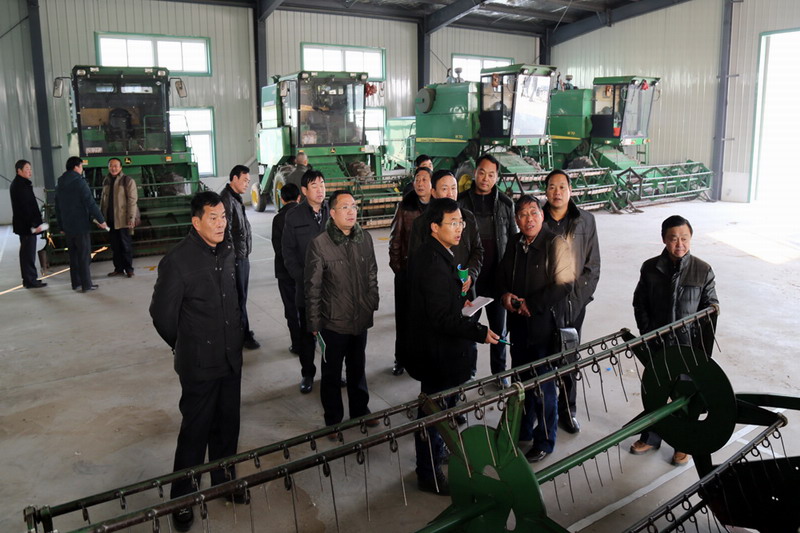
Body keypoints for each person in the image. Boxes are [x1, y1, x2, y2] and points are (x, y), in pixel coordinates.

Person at [149, 191, 245, 532]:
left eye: (224, 217)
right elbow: (162, 315)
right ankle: (182, 499)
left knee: (228, 426)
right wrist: (186, 345)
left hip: (230, 358)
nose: (221, 224)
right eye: (213, 218)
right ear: (196, 222)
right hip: (199, 365)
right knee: (195, 433)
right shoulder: (178, 261)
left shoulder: (228, 250)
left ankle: (224, 481)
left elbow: (235, 299)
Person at [407, 197, 499, 495]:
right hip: (436, 352)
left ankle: (435, 455)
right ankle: (428, 473)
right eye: (453, 223)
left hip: (437, 348)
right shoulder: (433, 262)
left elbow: (440, 304)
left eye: (461, 222)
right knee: (433, 413)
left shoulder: (438, 253)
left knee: (439, 410)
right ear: (435, 227)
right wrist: (479, 331)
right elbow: (441, 319)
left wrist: (461, 303)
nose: (459, 228)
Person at [630, 215, 718, 466]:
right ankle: (652, 437)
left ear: (691, 238)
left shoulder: (702, 270)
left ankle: (683, 443)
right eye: (673, 238)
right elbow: (640, 303)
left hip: (688, 346)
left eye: (684, 238)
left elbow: (711, 306)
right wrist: (648, 332)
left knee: (686, 395)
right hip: (657, 343)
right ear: (664, 239)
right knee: (656, 391)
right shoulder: (650, 268)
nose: (679, 244)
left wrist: (700, 345)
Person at [498, 195, 574, 463]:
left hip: (544, 327)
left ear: (542, 216)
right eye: (522, 214)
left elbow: (565, 283)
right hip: (519, 326)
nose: (528, 219)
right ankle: (523, 429)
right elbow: (502, 275)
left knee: (543, 387)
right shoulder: (515, 244)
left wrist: (533, 304)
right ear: (516, 220)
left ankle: (545, 441)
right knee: (521, 383)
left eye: (533, 213)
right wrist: (505, 295)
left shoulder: (556, 243)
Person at [305, 190, 380, 428]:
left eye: (354, 207)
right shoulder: (320, 244)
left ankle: (360, 411)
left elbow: (372, 274)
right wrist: (314, 323)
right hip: (333, 323)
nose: (351, 212)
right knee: (332, 374)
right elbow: (313, 287)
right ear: (333, 212)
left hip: (360, 319)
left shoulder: (364, 239)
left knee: (357, 368)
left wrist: (372, 302)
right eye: (345, 207)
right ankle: (333, 419)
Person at [542, 169, 601, 433]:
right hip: (544, 304)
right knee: (543, 359)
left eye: (562, 187)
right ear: (546, 191)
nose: (557, 192)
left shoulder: (585, 221)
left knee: (569, 357)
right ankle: (544, 413)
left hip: (574, 304)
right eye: (552, 187)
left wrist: (577, 301)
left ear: (570, 190)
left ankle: (568, 410)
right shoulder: (537, 218)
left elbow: (593, 265)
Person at [457, 154, 516, 383]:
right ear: (475, 173)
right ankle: (468, 372)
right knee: (468, 328)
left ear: (497, 177)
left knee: (499, 330)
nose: (485, 178)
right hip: (470, 281)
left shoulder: (506, 204)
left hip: (496, 280)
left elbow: (512, 242)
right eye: (482, 172)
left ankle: (499, 374)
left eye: (491, 174)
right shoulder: (461, 203)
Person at [282, 170, 329, 394]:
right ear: (304, 190)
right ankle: (307, 373)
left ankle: (332, 373)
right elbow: (288, 252)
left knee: (332, 334)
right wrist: (302, 278)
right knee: (307, 334)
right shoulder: (294, 217)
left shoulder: (333, 211)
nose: (320, 190)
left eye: (322, 184)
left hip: (332, 287)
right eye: (314, 186)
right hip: (306, 288)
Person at [388, 166, 432, 376]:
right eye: (417, 179)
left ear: (432, 185)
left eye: (424, 179)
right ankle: (401, 358)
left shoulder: (438, 208)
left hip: (430, 275)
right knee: (404, 319)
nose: (420, 183)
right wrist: (399, 270)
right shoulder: (405, 207)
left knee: (425, 319)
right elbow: (395, 240)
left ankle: (423, 357)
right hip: (407, 273)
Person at [221, 165, 260, 350]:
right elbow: (225, 232)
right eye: (244, 180)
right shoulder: (226, 199)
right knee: (239, 298)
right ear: (234, 178)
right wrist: (231, 259)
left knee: (241, 297)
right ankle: (243, 336)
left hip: (241, 255)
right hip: (235, 258)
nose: (247, 184)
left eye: (248, 181)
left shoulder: (235, 198)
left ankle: (242, 331)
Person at [55, 156, 108, 292]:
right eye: (81, 166)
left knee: (73, 256)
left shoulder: (60, 183)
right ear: (76, 167)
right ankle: (86, 285)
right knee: (84, 256)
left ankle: (76, 283)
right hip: (80, 225)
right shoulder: (79, 182)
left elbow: (57, 207)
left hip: (68, 226)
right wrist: (101, 220)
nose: (82, 169)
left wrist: (61, 226)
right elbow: (90, 203)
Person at [272, 183, 303, 354]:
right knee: (307, 307)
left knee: (291, 309)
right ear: (299, 197)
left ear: (282, 199)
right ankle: (311, 339)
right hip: (304, 272)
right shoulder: (305, 215)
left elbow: (278, 248)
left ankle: (297, 344)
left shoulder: (278, 219)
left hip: (285, 272)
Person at [10, 159, 47, 288]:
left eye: (30, 169)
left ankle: (30, 278)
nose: (30, 171)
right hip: (26, 226)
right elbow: (26, 208)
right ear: (19, 171)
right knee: (28, 254)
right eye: (27, 169)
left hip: (27, 225)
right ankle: (30, 280)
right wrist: (34, 225)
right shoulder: (19, 186)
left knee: (28, 253)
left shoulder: (23, 184)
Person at [100, 158, 138, 278]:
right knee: (115, 247)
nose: (113, 168)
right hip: (110, 220)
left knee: (125, 246)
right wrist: (101, 218)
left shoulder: (127, 181)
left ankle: (129, 269)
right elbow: (103, 201)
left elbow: (132, 201)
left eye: (116, 166)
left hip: (123, 220)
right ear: (108, 167)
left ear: (121, 167)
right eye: (111, 166)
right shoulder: (106, 181)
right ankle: (118, 269)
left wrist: (131, 218)